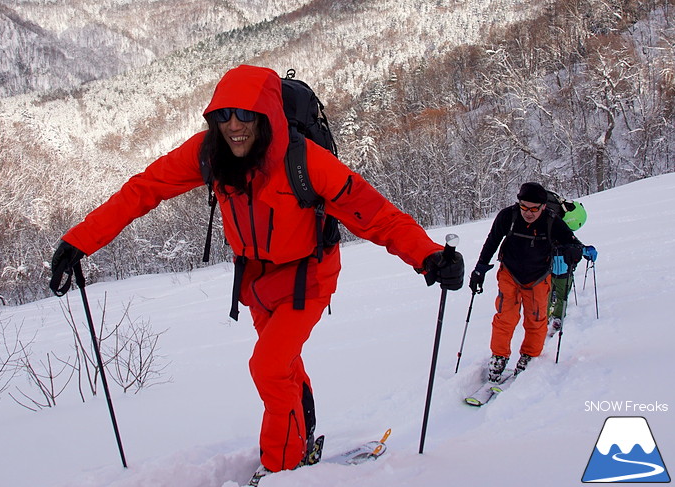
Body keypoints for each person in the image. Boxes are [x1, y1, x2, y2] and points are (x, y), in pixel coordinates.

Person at [49, 65, 464, 479]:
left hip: (309, 276)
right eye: (224, 115)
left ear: (266, 115)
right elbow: (145, 188)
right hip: (256, 284)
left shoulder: (306, 162)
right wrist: (79, 241)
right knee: (282, 366)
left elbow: (375, 215)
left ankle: (281, 465)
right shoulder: (209, 154)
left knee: (268, 366)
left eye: (246, 115)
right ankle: (300, 441)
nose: (234, 126)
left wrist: (428, 256)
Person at [468, 182, 581, 381]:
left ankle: (530, 355)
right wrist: (480, 269)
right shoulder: (508, 216)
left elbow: (571, 241)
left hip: (538, 276)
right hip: (509, 273)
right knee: (505, 316)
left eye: (534, 209)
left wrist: (574, 250)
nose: (528, 213)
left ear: (543, 206)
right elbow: (492, 241)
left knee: (536, 318)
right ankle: (499, 356)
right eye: (524, 207)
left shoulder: (551, 220)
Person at [545, 196, 597, 332]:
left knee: (548, 293)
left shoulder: (552, 225)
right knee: (561, 295)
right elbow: (574, 243)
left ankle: (545, 317)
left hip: (548, 268)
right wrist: (585, 251)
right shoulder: (560, 229)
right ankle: (557, 317)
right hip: (564, 270)